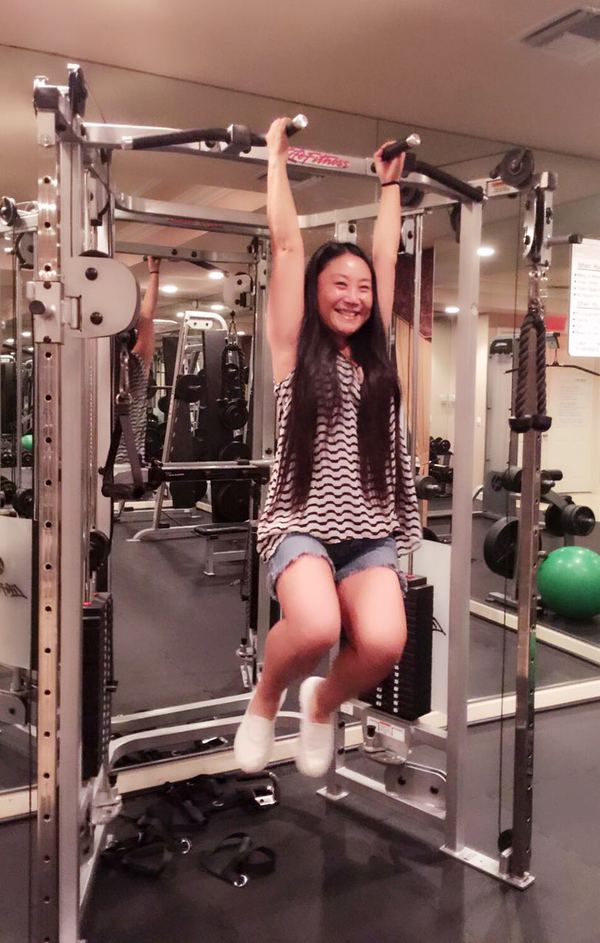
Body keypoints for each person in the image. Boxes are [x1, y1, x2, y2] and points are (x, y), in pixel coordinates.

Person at [234, 119, 422, 778]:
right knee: (315, 628)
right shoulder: (293, 350)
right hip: (302, 521)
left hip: (369, 529)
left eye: (362, 288)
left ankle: (321, 702)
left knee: (385, 645)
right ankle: (265, 699)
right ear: (316, 292)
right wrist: (276, 160)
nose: (354, 296)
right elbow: (287, 245)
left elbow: (386, 258)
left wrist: (390, 188)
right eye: (340, 284)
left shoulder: (379, 354)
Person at [116, 256, 161, 464]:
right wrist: (154, 272)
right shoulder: (133, 367)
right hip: (127, 464)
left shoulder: (89, 370)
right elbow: (146, 318)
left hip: (92, 461)